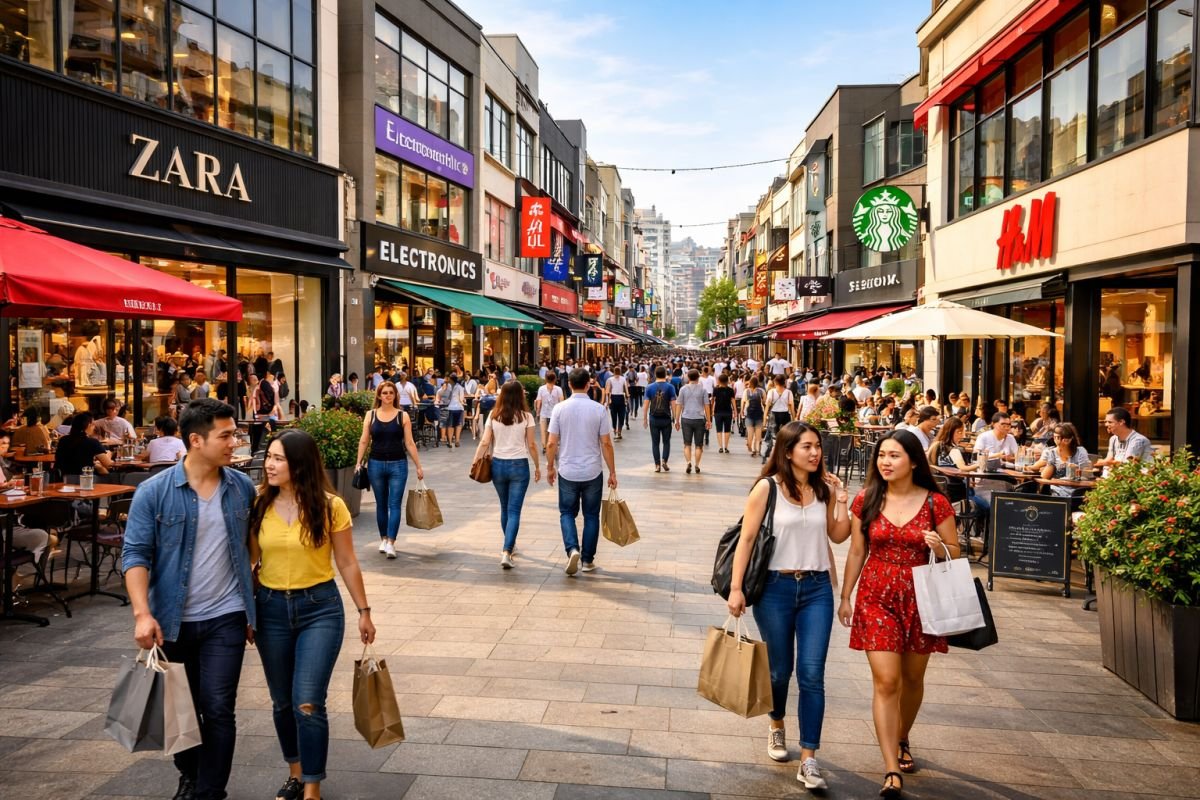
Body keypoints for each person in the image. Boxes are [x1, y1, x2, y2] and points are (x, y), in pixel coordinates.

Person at [122, 399, 257, 800]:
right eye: (226, 435)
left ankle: (210, 792)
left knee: (217, 707)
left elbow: (255, 547)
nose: (234, 443)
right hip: (172, 620)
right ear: (196, 440)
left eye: (235, 434)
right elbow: (135, 554)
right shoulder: (154, 492)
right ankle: (191, 774)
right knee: (180, 708)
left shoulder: (241, 487)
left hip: (226, 616)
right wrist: (142, 614)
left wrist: (253, 601)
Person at [249, 429, 375, 800]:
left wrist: (364, 611)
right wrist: (246, 612)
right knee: (282, 701)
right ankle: (295, 773)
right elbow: (250, 562)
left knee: (307, 701)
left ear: (300, 464)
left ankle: (312, 788)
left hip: (319, 609)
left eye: (278, 459)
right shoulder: (259, 504)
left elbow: (347, 561)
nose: (269, 465)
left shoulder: (330, 506)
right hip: (270, 609)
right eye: (269, 457)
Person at [726, 422, 850, 790]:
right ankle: (776, 722)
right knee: (780, 672)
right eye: (807, 446)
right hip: (774, 589)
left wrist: (842, 501)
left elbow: (838, 536)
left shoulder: (823, 489)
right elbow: (747, 539)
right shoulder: (767, 488)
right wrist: (736, 588)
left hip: (817, 589)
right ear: (788, 450)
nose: (815, 452)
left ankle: (809, 758)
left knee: (812, 673)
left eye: (817, 446)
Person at [839, 430, 959, 799]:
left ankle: (902, 734)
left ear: (913, 461)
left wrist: (939, 546)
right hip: (876, 595)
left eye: (894, 455)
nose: (885, 462)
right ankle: (891, 767)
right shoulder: (867, 499)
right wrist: (845, 596)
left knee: (912, 677)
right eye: (882, 455)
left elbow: (955, 551)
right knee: (887, 681)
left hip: (922, 596)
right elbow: (857, 551)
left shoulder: (936, 503)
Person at [546, 369, 618, 575]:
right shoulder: (599, 410)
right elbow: (606, 443)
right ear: (588, 385)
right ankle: (587, 560)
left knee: (567, 513)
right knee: (591, 515)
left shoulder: (559, 409)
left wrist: (550, 467)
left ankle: (572, 549)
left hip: (567, 469)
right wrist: (612, 472)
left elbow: (551, 443)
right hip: (592, 470)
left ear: (569, 384)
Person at [473, 382, 540, 568]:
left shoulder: (493, 415)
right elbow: (532, 444)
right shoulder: (526, 416)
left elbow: (485, 441)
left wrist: (475, 461)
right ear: (520, 395)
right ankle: (507, 551)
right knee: (514, 510)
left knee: (505, 507)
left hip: (498, 465)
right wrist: (537, 466)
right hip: (519, 465)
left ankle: (509, 545)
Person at [355, 382, 424, 559]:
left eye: (391, 393)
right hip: (375, 464)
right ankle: (384, 539)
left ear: (395, 395)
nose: (387, 395)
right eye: (384, 393)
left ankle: (391, 542)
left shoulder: (403, 416)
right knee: (381, 504)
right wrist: (358, 462)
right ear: (379, 395)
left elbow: (409, 442)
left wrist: (418, 465)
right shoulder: (370, 415)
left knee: (394, 504)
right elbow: (364, 440)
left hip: (398, 464)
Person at [0, 430, 51, 597]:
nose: (4, 447)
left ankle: (18, 578)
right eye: (2, 444)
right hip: (5, 527)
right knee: (44, 537)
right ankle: (17, 578)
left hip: (10, 520)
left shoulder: (4, 464)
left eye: (7, 444)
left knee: (45, 535)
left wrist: (11, 486)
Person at [928, 416, 990, 521]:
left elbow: (931, 465)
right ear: (950, 432)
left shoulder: (934, 446)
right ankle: (979, 529)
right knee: (987, 506)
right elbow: (963, 468)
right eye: (959, 432)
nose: (962, 435)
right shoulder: (953, 450)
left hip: (939, 493)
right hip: (958, 495)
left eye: (962, 432)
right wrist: (981, 463)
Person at [1031, 422, 1090, 498]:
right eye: (1054, 437)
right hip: (1058, 492)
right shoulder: (1052, 453)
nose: (1055, 439)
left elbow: (1086, 474)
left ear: (1069, 439)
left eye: (1058, 437)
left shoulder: (1080, 451)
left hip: (1077, 491)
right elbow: (1045, 476)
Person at [1095, 407, 1155, 471]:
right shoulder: (1113, 439)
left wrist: (1104, 463)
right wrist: (1094, 463)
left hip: (1139, 475)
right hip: (1119, 474)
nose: (1106, 424)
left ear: (1121, 422)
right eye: (1105, 422)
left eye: (1110, 422)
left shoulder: (1138, 440)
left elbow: (1128, 465)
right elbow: (1109, 459)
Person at [54, 412, 114, 477]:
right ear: (89, 425)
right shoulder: (92, 442)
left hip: (64, 478)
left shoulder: (63, 440)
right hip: (85, 479)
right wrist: (109, 454)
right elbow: (108, 465)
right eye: (93, 424)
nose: (94, 428)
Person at [676, 369, 710, 475]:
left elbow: (679, 404)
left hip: (686, 418)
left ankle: (689, 462)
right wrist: (709, 420)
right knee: (699, 445)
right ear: (698, 377)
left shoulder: (683, 389)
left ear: (688, 378)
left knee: (687, 444)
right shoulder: (703, 390)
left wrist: (676, 420)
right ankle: (697, 465)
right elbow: (707, 405)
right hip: (699, 418)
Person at [643, 366, 677, 473]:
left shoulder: (649, 387)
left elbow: (646, 404)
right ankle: (664, 461)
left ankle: (657, 465)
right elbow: (673, 404)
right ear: (665, 374)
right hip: (666, 418)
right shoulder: (670, 387)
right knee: (666, 442)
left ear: (655, 374)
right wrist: (676, 418)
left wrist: (644, 419)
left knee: (655, 443)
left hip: (653, 418)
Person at [535, 372, 564, 452]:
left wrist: (537, 413)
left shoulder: (541, 388)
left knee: (543, 431)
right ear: (555, 379)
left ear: (545, 379)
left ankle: (545, 447)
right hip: (555, 414)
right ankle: (552, 446)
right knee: (554, 431)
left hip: (544, 413)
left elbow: (539, 401)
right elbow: (561, 402)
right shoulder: (559, 389)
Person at [437, 374, 466, 448]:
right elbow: (461, 399)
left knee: (450, 425)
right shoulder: (460, 387)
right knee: (458, 424)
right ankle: (457, 441)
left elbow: (442, 395)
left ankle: (449, 442)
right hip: (459, 408)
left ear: (451, 380)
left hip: (450, 408)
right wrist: (463, 402)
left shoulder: (448, 387)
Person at [712, 372, 737, 454]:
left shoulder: (716, 389)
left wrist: (712, 410)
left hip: (718, 412)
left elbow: (713, 401)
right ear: (727, 381)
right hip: (728, 412)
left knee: (719, 430)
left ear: (719, 380)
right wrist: (735, 411)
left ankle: (720, 447)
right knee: (727, 430)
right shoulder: (730, 390)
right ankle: (725, 447)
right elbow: (733, 401)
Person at [742, 376, 767, 457]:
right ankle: (756, 449)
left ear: (750, 382)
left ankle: (751, 447)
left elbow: (743, 401)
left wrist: (741, 411)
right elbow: (764, 401)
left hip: (749, 415)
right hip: (759, 414)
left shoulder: (746, 391)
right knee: (758, 434)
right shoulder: (762, 391)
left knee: (750, 433)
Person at [604, 368, 628, 440]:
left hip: (613, 398)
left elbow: (607, 392)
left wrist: (607, 402)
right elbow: (626, 390)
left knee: (614, 416)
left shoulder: (610, 379)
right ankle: (618, 431)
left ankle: (615, 431)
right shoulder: (623, 379)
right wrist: (627, 398)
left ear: (614, 372)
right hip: (621, 398)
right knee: (621, 415)